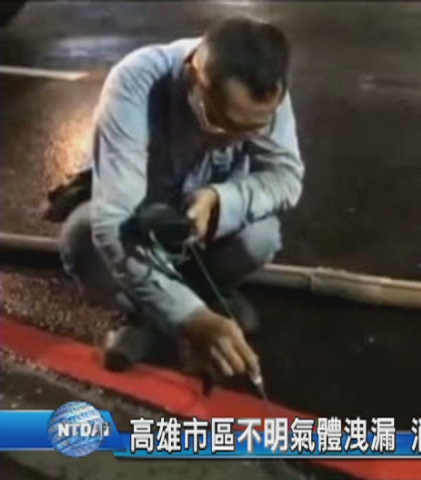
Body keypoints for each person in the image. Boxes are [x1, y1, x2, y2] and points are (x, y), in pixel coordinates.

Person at [56, 17, 303, 388]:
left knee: (260, 237)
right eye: (223, 122)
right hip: (145, 218)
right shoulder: (135, 82)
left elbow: (286, 177)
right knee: (84, 237)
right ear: (194, 77)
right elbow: (114, 222)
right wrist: (189, 317)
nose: (234, 139)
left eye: (251, 130)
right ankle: (143, 311)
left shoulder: (267, 90)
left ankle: (209, 291)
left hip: (208, 221)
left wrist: (220, 200)